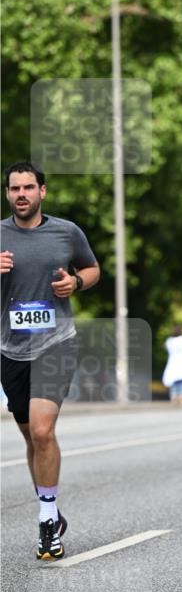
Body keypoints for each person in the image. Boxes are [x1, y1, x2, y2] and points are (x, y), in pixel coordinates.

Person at [1, 162, 100, 560]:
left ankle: (46, 526)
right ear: (8, 194)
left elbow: (92, 269)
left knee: (43, 432)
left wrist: (75, 282)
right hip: (10, 348)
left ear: (42, 191)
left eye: (28, 187)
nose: (21, 194)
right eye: (13, 189)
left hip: (56, 341)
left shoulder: (66, 231)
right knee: (31, 438)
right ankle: (51, 508)